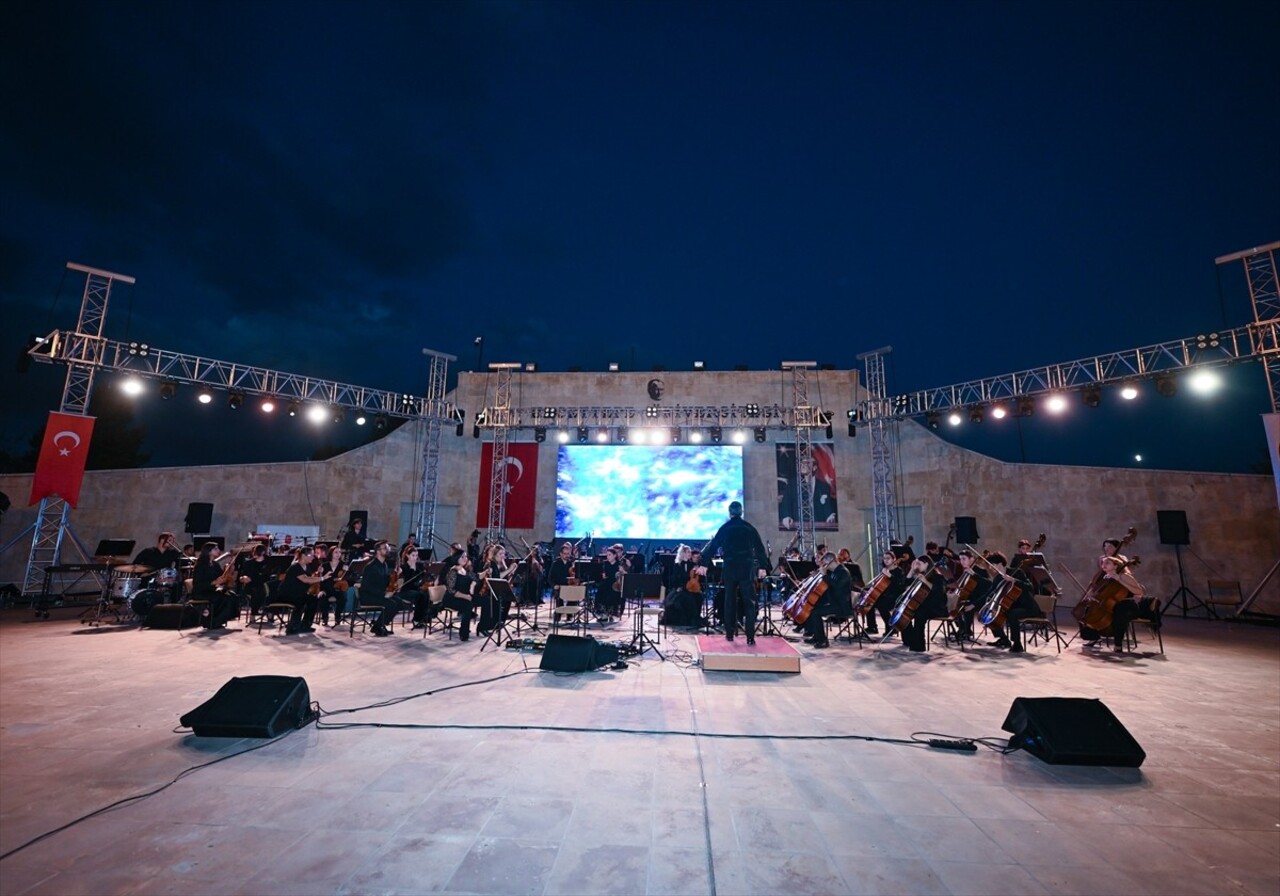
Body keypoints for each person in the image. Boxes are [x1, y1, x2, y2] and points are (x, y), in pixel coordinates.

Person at [700, 501, 770, 644]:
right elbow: (759, 548)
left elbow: (713, 546)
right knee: (749, 601)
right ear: (741, 512)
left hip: (730, 567)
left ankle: (730, 634)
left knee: (729, 600)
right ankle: (750, 636)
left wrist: (704, 564)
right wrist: (763, 566)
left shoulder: (725, 528)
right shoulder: (749, 528)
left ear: (729, 512)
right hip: (746, 567)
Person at [983, 552, 1037, 653]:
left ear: (999, 564)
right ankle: (1003, 639)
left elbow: (1030, 587)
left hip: (1027, 607)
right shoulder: (998, 578)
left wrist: (1014, 580)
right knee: (990, 614)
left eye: (992, 565)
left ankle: (1017, 644)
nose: (990, 568)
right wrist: (988, 602)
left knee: (1012, 614)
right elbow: (991, 593)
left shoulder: (1017, 572)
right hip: (1010, 606)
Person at [1100, 556, 1156, 652]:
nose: (1103, 565)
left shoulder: (1124, 576)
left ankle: (1118, 644)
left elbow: (1139, 591)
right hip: (1116, 605)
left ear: (1116, 566)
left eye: (1107, 563)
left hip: (1130, 606)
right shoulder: (1106, 578)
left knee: (1120, 610)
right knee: (1089, 609)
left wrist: (1119, 579)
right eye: (1102, 563)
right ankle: (1092, 637)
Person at [802, 551, 855, 649]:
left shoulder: (843, 572)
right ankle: (817, 636)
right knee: (812, 607)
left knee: (815, 613)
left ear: (832, 561)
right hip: (834, 602)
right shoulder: (834, 572)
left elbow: (837, 587)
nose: (825, 566)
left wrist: (825, 575)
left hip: (842, 605)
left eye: (826, 563)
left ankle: (822, 641)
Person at [897, 555, 948, 651]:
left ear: (926, 564)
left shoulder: (938, 576)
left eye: (919, 564)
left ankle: (919, 645)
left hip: (937, 607)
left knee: (919, 614)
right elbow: (904, 585)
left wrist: (925, 581)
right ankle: (909, 640)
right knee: (904, 612)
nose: (917, 566)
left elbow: (939, 592)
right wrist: (911, 570)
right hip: (923, 605)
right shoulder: (921, 575)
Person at [354, 541, 400, 637]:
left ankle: (381, 624)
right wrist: (384, 594)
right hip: (368, 596)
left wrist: (395, 575)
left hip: (378, 594)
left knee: (398, 602)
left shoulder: (384, 565)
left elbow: (386, 581)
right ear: (378, 551)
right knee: (391, 604)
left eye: (387, 548)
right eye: (385, 548)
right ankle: (377, 627)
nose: (388, 550)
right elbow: (367, 587)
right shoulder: (370, 567)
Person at [278, 546, 326, 635]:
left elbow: (309, 577)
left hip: (299, 593)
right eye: (311, 555)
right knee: (300, 601)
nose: (313, 557)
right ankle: (292, 627)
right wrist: (323, 578)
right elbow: (305, 579)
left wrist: (317, 572)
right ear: (304, 556)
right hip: (287, 594)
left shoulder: (306, 566)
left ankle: (305, 625)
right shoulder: (295, 567)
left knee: (313, 599)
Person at [189, 543, 236, 629]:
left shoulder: (215, 564)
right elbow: (197, 584)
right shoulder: (200, 565)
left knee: (232, 595)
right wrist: (213, 583)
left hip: (211, 591)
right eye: (216, 549)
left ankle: (217, 621)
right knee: (224, 598)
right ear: (209, 551)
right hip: (201, 592)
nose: (218, 551)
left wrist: (229, 567)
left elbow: (222, 577)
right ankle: (211, 622)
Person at [443, 551, 482, 641]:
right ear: (456, 559)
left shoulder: (465, 570)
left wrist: (473, 584)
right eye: (462, 557)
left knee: (485, 600)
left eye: (465, 557)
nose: (465, 559)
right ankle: (464, 633)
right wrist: (466, 596)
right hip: (451, 598)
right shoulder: (453, 571)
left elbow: (476, 578)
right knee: (467, 605)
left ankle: (483, 627)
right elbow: (451, 590)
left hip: (465, 596)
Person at [133, 532, 183, 600]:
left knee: (178, 584)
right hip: (150, 576)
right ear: (162, 540)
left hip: (166, 577)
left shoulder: (173, 553)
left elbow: (180, 564)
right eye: (170, 540)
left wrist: (175, 574)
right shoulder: (148, 551)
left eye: (173, 541)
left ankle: (173, 605)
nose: (172, 543)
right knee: (144, 583)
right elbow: (135, 564)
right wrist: (142, 573)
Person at [663, 544, 703, 627]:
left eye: (690, 552)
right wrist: (679, 586)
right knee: (688, 599)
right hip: (680, 588)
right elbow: (675, 579)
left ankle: (696, 619)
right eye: (688, 552)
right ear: (683, 553)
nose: (690, 553)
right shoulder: (678, 565)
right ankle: (689, 621)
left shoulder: (692, 564)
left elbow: (695, 578)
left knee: (699, 597)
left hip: (690, 588)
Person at [596, 544, 627, 620]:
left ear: (614, 556)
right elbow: (602, 576)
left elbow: (626, 575)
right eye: (607, 555)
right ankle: (604, 614)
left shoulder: (619, 564)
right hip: (606, 583)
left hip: (615, 584)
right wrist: (602, 576)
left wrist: (622, 571)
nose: (607, 557)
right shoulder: (605, 564)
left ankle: (613, 613)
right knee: (601, 590)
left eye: (609, 555)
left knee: (614, 592)